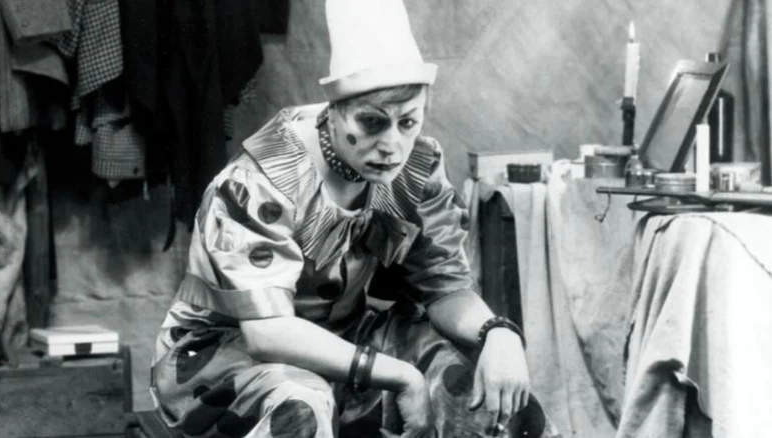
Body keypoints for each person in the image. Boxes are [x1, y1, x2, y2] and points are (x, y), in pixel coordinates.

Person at [150, 1, 560, 437]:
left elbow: (444, 288)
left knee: (485, 394)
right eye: (371, 123)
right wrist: (400, 375)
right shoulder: (261, 179)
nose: (392, 145)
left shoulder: (415, 169)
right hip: (224, 358)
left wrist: (498, 333)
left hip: (345, 338)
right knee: (301, 406)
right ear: (334, 111)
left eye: (408, 123)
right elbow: (266, 334)